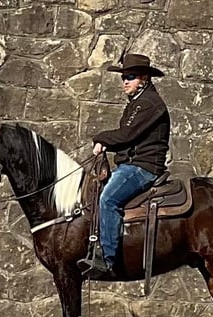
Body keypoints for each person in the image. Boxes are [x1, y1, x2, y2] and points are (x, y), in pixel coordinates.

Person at [77, 53, 171, 279]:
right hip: (130, 165)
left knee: (108, 199)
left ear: (144, 79)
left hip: (142, 167)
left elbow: (126, 135)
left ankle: (106, 258)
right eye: (123, 77)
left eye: (130, 76)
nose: (125, 81)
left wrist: (100, 139)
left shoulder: (149, 103)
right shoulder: (138, 103)